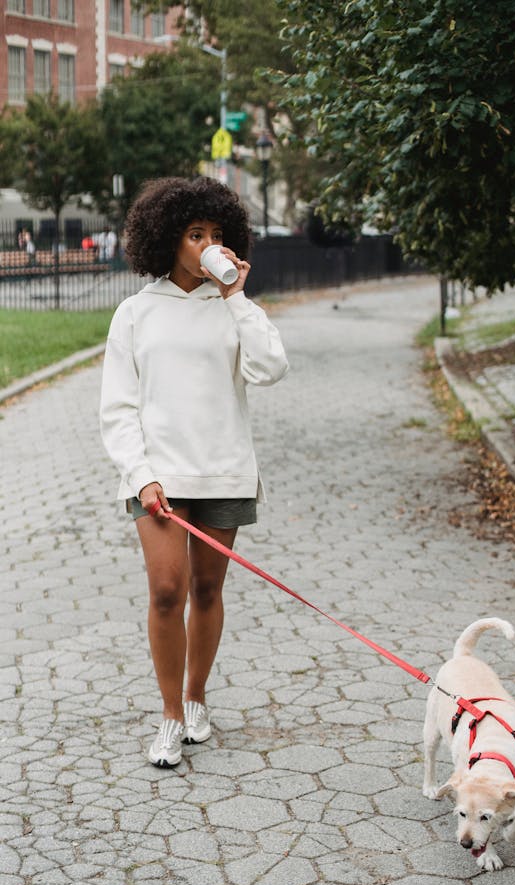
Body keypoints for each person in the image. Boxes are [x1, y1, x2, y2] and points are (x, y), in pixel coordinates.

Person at [99, 176, 289, 768]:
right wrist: (139, 473)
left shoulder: (234, 308)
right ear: (168, 240)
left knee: (208, 589)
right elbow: (118, 406)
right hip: (158, 478)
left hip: (224, 470)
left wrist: (236, 297)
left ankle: (197, 698)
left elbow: (271, 368)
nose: (209, 244)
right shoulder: (135, 313)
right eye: (195, 234)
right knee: (165, 590)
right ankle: (169, 718)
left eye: (217, 235)